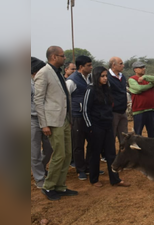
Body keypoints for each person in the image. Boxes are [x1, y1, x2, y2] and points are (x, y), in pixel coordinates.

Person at [34, 46, 78, 201]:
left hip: (64, 120)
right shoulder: (44, 73)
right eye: (62, 56)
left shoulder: (57, 73)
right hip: (52, 121)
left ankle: (60, 186)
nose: (65, 58)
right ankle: (48, 187)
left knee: (67, 154)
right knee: (59, 154)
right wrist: (43, 124)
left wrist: (69, 119)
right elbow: (38, 100)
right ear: (53, 57)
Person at [83, 66, 131, 188]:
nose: (105, 78)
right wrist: (90, 127)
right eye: (102, 76)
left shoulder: (107, 89)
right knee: (95, 153)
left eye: (106, 76)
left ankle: (115, 179)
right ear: (96, 76)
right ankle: (94, 179)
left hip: (107, 125)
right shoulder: (91, 90)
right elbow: (85, 110)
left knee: (111, 153)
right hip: (96, 126)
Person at [66, 55, 94, 180]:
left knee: (92, 142)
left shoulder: (90, 79)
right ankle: (80, 169)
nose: (91, 67)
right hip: (77, 116)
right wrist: (69, 118)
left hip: (89, 116)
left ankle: (89, 166)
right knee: (78, 144)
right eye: (89, 65)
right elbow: (65, 99)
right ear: (81, 67)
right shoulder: (72, 81)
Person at [31, 57, 53, 189]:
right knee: (34, 152)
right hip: (32, 119)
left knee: (49, 148)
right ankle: (39, 179)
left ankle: (42, 167)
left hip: (46, 119)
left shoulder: (43, 81)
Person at [128, 61, 154, 137]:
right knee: (138, 133)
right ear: (135, 69)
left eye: (143, 67)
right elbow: (138, 88)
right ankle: (136, 148)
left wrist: (145, 77)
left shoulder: (147, 78)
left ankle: (151, 148)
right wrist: (150, 85)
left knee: (152, 133)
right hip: (139, 111)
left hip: (150, 109)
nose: (143, 69)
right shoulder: (132, 79)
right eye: (141, 67)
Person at [108, 57, 128, 149]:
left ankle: (124, 155)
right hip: (113, 112)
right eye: (121, 63)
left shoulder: (122, 76)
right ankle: (109, 155)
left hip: (123, 110)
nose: (123, 65)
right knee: (111, 135)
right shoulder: (107, 77)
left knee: (124, 136)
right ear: (113, 65)